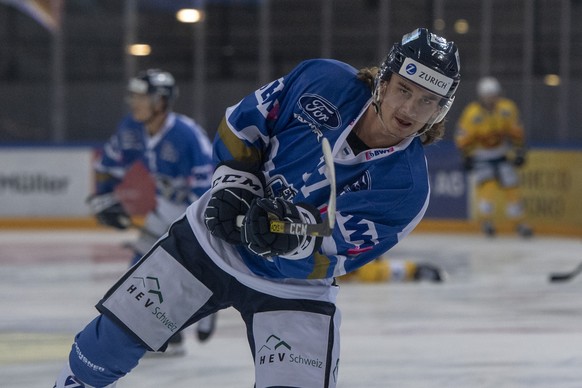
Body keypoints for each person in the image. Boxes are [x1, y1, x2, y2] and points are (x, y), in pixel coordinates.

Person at [54, 28, 460, 388]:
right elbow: (243, 123)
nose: (409, 109)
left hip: (290, 288)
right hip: (210, 244)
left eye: (427, 100)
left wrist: (294, 238)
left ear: (441, 109)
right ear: (384, 81)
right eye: (404, 90)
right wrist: (235, 181)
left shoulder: (407, 187)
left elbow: (333, 258)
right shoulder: (323, 79)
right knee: (101, 350)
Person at [86, 69, 217, 354]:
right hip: (162, 212)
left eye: (141, 96)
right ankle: (163, 335)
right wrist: (104, 197)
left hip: (194, 216)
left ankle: (207, 303)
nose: (134, 102)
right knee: (139, 272)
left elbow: (206, 191)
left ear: (160, 101)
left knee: (186, 273)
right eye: (133, 95)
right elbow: (107, 166)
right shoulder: (131, 129)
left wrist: (191, 232)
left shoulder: (188, 136)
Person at [455, 76, 533, 238]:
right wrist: (466, 155)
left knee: (511, 187)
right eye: (488, 95)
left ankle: (519, 222)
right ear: (481, 96)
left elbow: (516, 132)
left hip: (501, 153)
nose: (492, 99)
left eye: (494, 94)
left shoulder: (507, 108)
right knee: (487, 188)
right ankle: (487, 222)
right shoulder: (472, 113)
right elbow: (463, 138)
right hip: (481, 156)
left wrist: (519, 150)